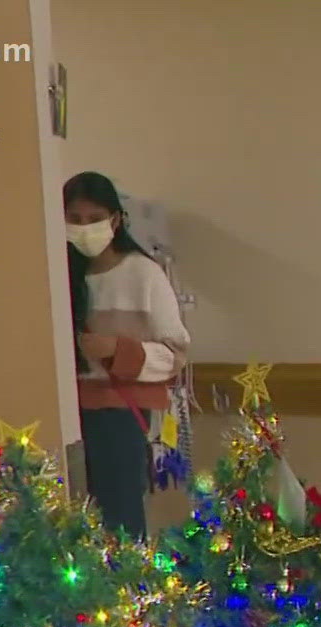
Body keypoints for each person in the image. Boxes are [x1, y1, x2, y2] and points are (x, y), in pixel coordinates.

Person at [64, 171, 187, 538]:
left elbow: (174, 353)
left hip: (119, 416)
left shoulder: (143, 274)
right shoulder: (62, 275)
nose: (84, 229)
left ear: (115, 220)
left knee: (118, 522)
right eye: (74, 219)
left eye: (94, 219)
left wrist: (119, 350)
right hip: (69, 415)